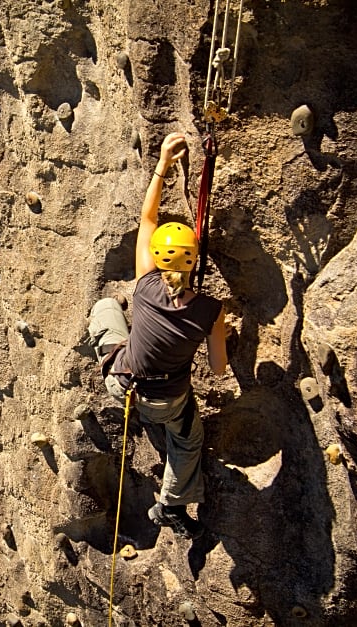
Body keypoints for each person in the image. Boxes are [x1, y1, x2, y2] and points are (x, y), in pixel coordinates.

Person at [88, 132, 227, 540]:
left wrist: (163, 164)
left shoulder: (145, 284)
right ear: (194, 259)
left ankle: (101, 351)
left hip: (122, 384)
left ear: (159, 257)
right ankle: (171, 504)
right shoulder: (210, 311)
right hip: (168, 402)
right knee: (188, 442)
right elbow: (218, 370)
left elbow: (147, 220)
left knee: (106, 309)